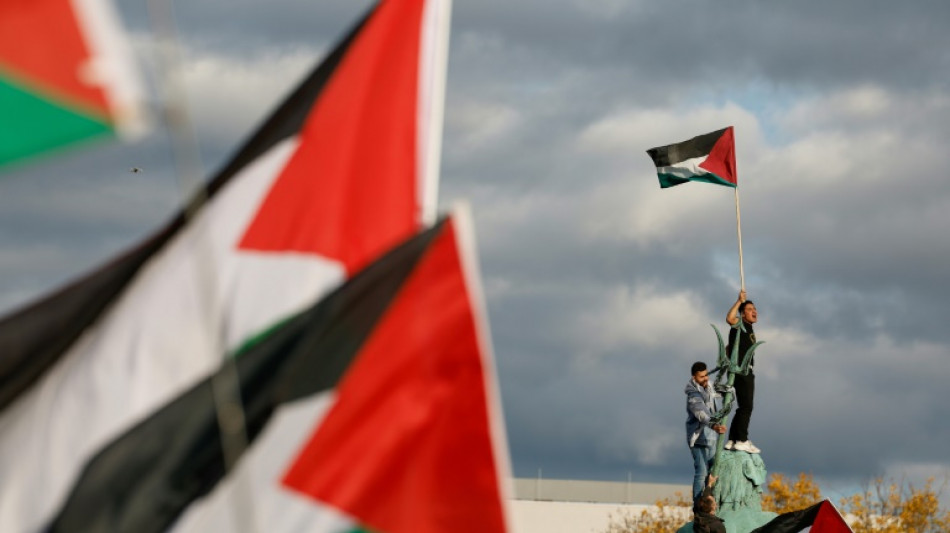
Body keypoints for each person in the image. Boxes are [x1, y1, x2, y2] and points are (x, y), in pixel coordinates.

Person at [685, 361, 727, 503]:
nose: (705, 378)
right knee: (702, 473)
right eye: (702, 377)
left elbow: (724, 391)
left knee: (714, 473)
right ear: (694, 377)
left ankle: (712, 503)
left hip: (712, 439)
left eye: (706, 375)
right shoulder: (693, 395)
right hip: (699, 439)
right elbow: (701, 412)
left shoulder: (709, 387)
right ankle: (698, 507)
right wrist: (714, 425)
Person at [725, 289, 760, 454]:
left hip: (741, 370)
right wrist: (739, 301)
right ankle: (742, 439)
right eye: (750, 309)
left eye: (755, 309)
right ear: (743, 314)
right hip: (743, 371)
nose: (754, 311)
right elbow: (730, 319)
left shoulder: (749, 328)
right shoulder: (741, 324)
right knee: (747, 406)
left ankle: (732, 439)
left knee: (742, 407)